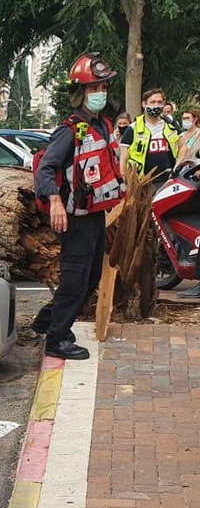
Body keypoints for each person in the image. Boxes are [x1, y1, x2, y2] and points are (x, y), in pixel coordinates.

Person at [30, 52, 124, 361]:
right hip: (74, 219)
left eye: (103, 88)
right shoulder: (70, 130)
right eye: (93, 89)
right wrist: (55, 200)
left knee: (91, 276)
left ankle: (47, 320)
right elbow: (46, 168)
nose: (100, 94)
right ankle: (57, 339)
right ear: (80, 93)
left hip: (95, 215)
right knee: (75, 278)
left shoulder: (103, 124)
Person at [120, 87, 179, 182]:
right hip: (142, 183)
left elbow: (183, 146)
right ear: (144, 104)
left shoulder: (171, 125)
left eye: (160, 102)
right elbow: (123, 159)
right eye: (153, 102)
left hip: (169, 180)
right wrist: (126, 182)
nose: (156, 105)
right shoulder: (133, 128)